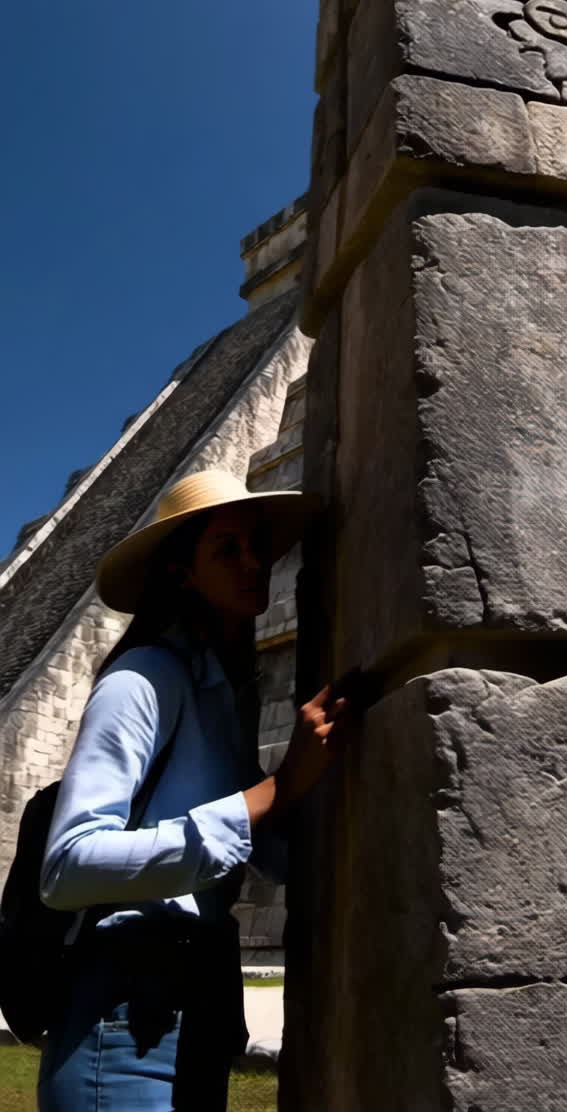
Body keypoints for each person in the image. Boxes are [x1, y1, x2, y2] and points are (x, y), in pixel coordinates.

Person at [36, 467, 348, 1112]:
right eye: (227, 549)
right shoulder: (142, 679)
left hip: (196, 1002)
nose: (254, 562)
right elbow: (66, 865)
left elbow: (264, 847)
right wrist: (280, 785)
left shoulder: (223, 694)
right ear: (180, 572)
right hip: (124, 1014)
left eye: (257, 545)